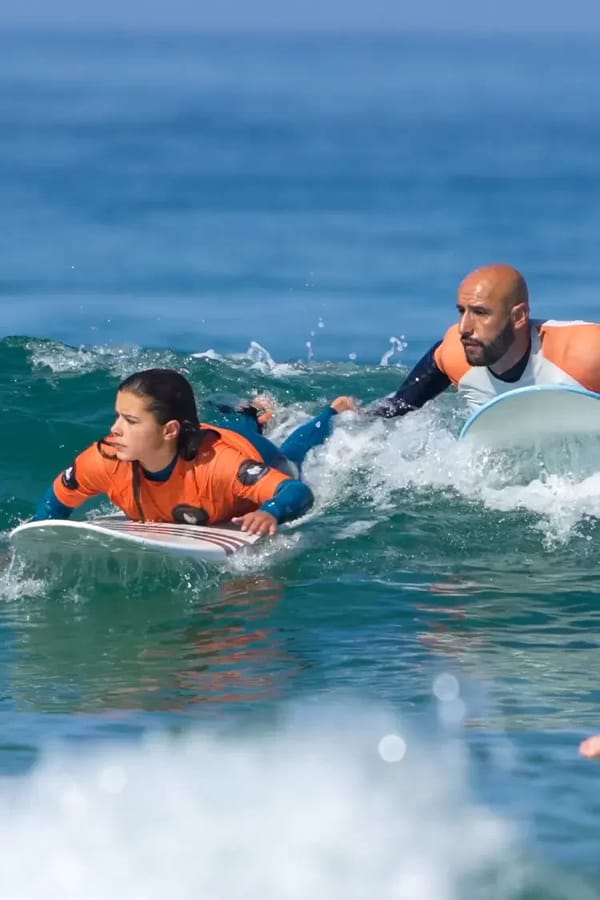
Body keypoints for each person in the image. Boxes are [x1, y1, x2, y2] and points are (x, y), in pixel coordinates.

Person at [34, 369, 355, 537]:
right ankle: (252, 412)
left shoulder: (222, 467)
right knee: (240, 422)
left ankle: (330, 413)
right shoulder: (106, 458)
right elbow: (57, 499)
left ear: (169, 430)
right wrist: (38, 543)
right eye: (118, 416)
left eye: (130, 421)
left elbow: (296, 491)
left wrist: (270, 512)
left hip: (249, 451)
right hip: (198, 437)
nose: (115, 429)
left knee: (292, 455)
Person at [370, 263, 600, 418]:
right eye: (462, 311)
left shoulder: (585, 353)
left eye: (480, 313)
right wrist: (353, 418)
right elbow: (397, 409)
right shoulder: (454, 353)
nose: (464, 328)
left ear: (518, 316)